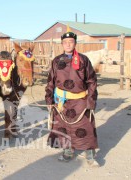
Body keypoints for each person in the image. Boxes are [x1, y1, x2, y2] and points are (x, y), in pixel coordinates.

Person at [45, 28, 99, 167]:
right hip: (61, 102)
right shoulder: (56, 61)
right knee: (63, 127)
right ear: (62, 44)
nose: (68, 44)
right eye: (65, 42)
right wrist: (49, 100)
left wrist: (91, 101)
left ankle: (90, 153)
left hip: (80, 100)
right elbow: (50, 81)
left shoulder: (83, 60)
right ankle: (68, 151)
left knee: (85, 126)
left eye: (71, 42)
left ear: (75, 43)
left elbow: (92, 81)